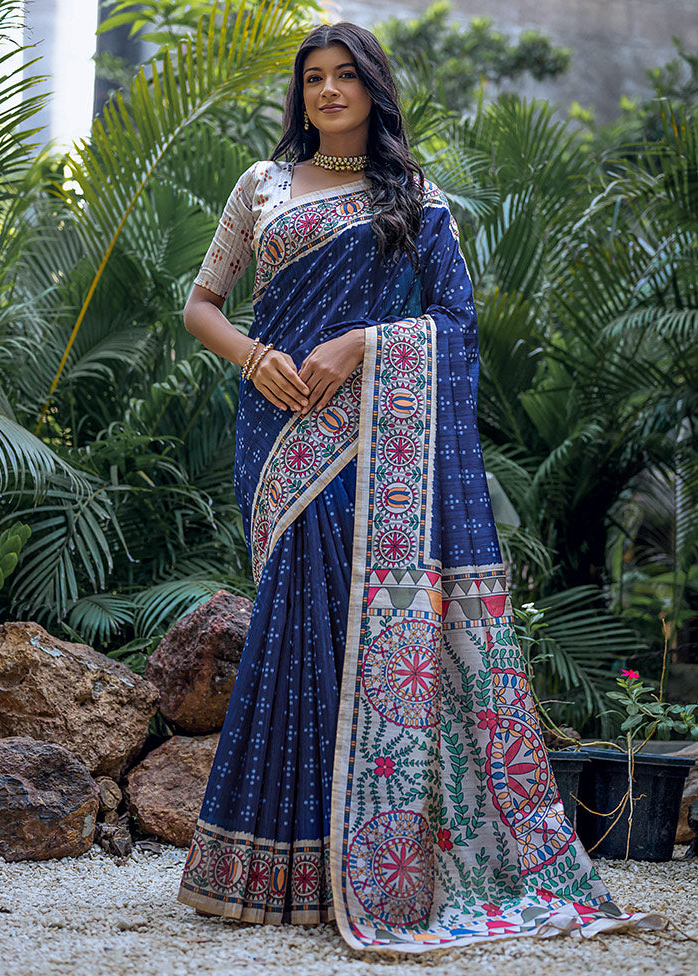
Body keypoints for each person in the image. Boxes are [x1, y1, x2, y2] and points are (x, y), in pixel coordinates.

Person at [177, 21, 664, 954]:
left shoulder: (416, 200)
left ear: (373, 89)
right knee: (294, 621)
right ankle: (271, 867)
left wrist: (364, 342)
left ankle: (356, 866)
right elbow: (202, 302)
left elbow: (455, 322)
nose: (327, 93)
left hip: (377, 437)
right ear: (301, 95)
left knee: (362, 631)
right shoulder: (263, 186)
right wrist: (253, 358)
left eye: (344, 77)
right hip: (280, 433)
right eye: (313, 79)